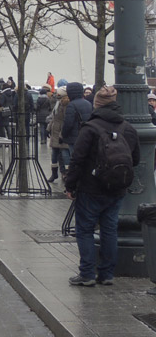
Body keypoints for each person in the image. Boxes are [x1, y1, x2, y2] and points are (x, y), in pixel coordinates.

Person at [64, 86, 140, 286]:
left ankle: (87, 273)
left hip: (91, 188)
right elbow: (136, 159)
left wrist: (70, 185)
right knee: (109, 230)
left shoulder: (90, 128)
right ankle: (106, 274)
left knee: (85, 230)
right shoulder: (128, 128)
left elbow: (77, 159)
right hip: (117, 189)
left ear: (96, 104)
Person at [62, 82, 92, 158]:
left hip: (74, 138)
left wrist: (63, 135)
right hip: (86, 136)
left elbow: (68, 123)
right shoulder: (88, 103)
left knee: (75, 158)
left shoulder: (72, 105)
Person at [47, 86, 70, 182]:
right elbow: (54, 117)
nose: (56, 94)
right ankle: (54, 173)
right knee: (54, 154)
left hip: (61, 131)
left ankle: (67, 173)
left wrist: (62, 134)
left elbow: (66, 120)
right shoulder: (57, 103)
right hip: (54, 130)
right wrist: (48, 128)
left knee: (64, 153)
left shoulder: (66, 104)